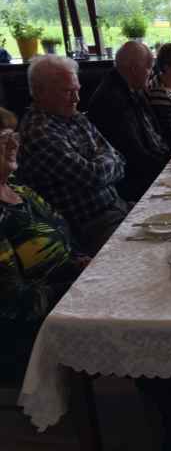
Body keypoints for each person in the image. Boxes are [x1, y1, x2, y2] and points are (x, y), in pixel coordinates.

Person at [0, 107, 88, 378]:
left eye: (14, 135)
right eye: (3, 139)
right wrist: (80, 286)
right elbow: (14, 302)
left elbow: (64, 242)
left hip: (63, 297)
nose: (14, 144)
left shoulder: (19, 190)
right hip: (30, 330)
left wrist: (80, 266)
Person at [18, 55, 128, 256]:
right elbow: (93, 176)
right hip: (90, 228)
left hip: (117, 206)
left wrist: (101, 162)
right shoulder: (38, 131)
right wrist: (104, 160)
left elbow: (120, 159)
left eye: (77, 90)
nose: (77, 99)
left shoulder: (74, 116)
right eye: (68, 92)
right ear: (40, 92)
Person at [88, 41, 171, 202]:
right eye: (149, 68)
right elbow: (134, 155)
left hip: (153, 164)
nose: (152, 73)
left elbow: (156, 133)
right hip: (137, 181)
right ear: (134, 69)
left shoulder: (132, 86)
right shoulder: (111, 100)